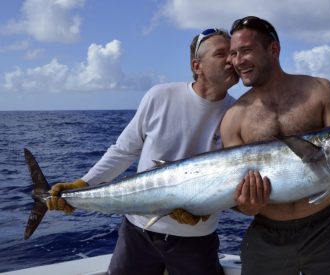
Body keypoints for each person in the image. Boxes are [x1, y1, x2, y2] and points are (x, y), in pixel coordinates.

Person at [46, 28, 238, 275]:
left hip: (197, 239)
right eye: (221, 53)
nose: (231, 60)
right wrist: (84, 183)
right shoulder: (160, 96)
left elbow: (231, 177)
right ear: (197, 65)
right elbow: (124, 150)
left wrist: (204, 209)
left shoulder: (239, 113)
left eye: (232, 53)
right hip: (138, 233)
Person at [220, 16, 330, 275]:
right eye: (233, 54)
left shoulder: (321, 91)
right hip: (266, 235)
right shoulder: (233, 118)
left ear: (273, 50)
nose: (237, 61)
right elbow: (236, 194)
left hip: (326, 229)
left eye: (246, 51)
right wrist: (246, 206)